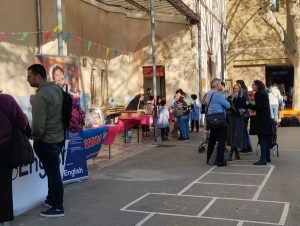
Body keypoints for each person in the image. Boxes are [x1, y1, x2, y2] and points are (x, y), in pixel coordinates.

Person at [27, 64, 65, 217]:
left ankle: (57, 207)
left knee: (53, 173)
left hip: (46, 141)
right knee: (52, 172)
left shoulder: (41, 95)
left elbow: (38, 124)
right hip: (58, 138)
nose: (27, 79)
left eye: (29, 76)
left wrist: (34, 136)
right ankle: (51, 199)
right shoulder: (57, 90)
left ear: (37, 76)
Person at [0, 87, 29, 226]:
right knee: (5, 184)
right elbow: (22, 122)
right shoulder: (7, 100)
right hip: (5, 147)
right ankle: (5, 219)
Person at [205, 78, 230, 167]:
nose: (221, 85)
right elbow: (228, 105)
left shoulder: (208, 94)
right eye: (219, 84)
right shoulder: (218, 95)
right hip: (220, 119)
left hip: (211, 120)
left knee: (212, 140)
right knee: (221, 141)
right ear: (216, 85)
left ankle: (209, 159)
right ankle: (220, 160)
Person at [247, 80, 273, 165]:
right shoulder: (264, 92)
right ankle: (267, 157)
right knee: (266, 139)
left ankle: (263, 159)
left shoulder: (258, 94)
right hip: (266, 118)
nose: (252, 87)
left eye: (253, 85)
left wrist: (248, 104)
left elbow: (258, 106)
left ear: (257, 86)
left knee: (262, 139)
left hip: (261, 119)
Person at [226, 83, 248, 161]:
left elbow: (246, 107)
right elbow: (228, 108)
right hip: (232, 118)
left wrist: (243, 110)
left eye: (237, 88)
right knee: (232, 135)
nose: (235, 90)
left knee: (237, 135)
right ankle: (235, 154)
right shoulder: (230, 98)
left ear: (240, 89)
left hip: (240, 118)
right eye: (234, 88)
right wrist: (232, 100)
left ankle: (232, 153)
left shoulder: (243, 98)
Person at [236, 80, 252, 153]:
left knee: (244, 131)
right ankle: (247, 146)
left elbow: (244, 102)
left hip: (244, 113)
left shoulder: (242, 91)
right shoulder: (245, 90)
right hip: (246, 113)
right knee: (244, 131)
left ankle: (246, 146)